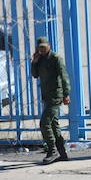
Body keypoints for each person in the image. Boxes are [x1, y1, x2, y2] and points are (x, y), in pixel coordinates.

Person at [31, 36, 70, 164]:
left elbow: (64, 76)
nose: (41, 50)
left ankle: (52, 151)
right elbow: (35, 75)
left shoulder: (56, 58)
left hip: (56, 95)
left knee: (44, 123)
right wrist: (34, 62)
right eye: (39, 47)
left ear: (49, 46)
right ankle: (62, 153)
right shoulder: (40, 59)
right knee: (54, 124)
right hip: (47, 96)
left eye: (43, 47)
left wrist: (66, 94)